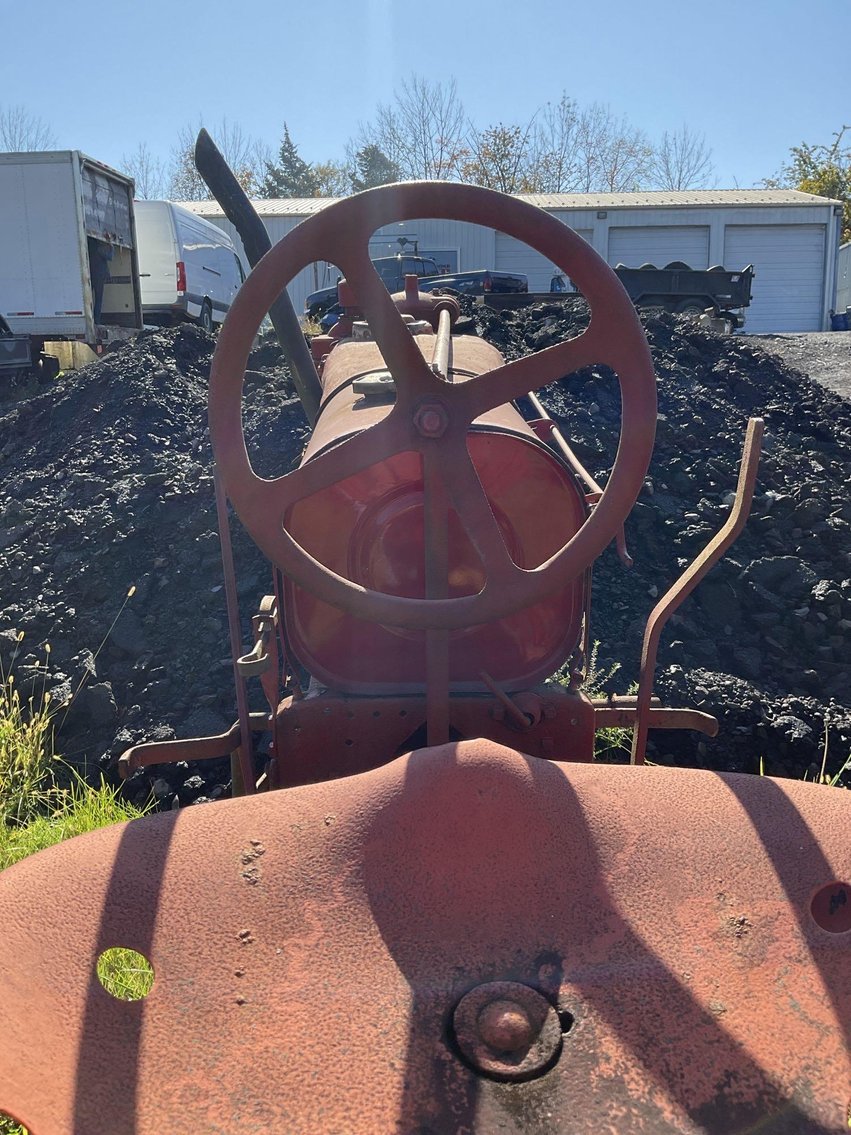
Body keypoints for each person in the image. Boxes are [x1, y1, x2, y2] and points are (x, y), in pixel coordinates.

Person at [88, 237, 114, 325]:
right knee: (98, 300)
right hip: (99, 277)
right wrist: (111, 245)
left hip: (91, 276)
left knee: (89, 299)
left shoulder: (89, 251)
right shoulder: (99, 250)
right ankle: (97, 321)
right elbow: (110, 257)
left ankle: (90, 318)